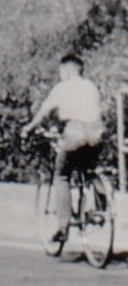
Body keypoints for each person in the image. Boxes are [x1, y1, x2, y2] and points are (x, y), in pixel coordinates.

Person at [21, 52, 108, 236]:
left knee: (61, 176)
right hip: (96, 133)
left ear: (67, 70)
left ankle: (63, 224)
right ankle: (101, 208)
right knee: (91, 169)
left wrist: (28, 128)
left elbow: (44, 111)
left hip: (75, 132)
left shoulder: (62, 87)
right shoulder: (91, 86)